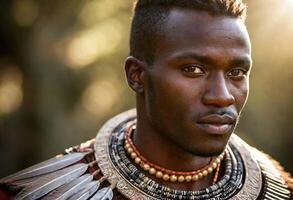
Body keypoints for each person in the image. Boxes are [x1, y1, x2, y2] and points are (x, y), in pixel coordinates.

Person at [0, 0, 292, 199]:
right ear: (137, 76)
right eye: (193, 69)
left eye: (237, 72)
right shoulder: (41, 192)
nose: (222, 96)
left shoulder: (280, 188)